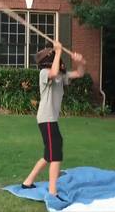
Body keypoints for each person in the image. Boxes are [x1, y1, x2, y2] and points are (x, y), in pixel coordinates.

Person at [21, 41, 86, 197]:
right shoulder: (44, 73)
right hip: (46, 118)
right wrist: (58, 52)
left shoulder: (59, 76)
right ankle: (52, 191)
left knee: (49, 155)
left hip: (51, 119)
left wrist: (81, 62)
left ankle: (27, 182)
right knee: (56, 154)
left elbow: (79, 73)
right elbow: (53, 72)